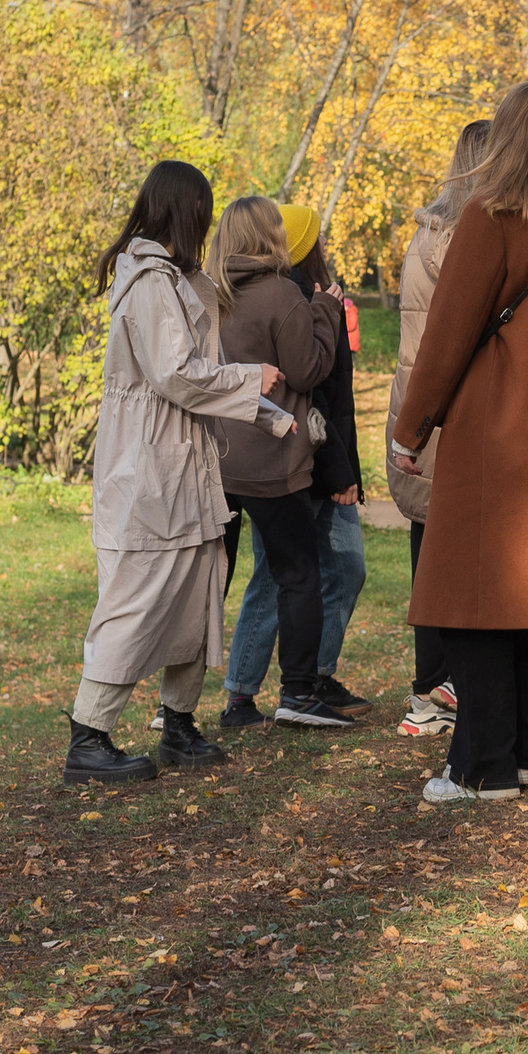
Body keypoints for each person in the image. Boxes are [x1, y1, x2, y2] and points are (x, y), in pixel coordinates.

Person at [392, 80, 528, 804]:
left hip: (490, 434)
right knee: (517, 602)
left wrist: (411, 427)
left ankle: (481, 766)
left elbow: (449, 334)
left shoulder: (490, 216)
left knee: (469, 601)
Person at [67, 161, 279, 783]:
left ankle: (178, 724)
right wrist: (250, 381)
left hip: (178, 461)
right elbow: (178, 374)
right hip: (149, 466)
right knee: (138, 593)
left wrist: (260, 408)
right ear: (188, 212)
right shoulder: (151, 281)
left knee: (194, 584)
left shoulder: (173, 278)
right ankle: (89, 734)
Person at [217, 201, 372, 723]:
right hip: (275, 456)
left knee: (219, 577)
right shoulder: (283, 294)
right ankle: (299, 691)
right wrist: (327, 313)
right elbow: (307, 374)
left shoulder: (214, 292)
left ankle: (208, 701)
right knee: (296, 574)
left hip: (222, 457)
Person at [386, 120, 490, 738]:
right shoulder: (471, 237)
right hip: (453, 406)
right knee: (464, 551)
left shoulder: (422, 232)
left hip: (414, 404)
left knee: (427, 544)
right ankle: (454, 682)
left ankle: (429, 685)